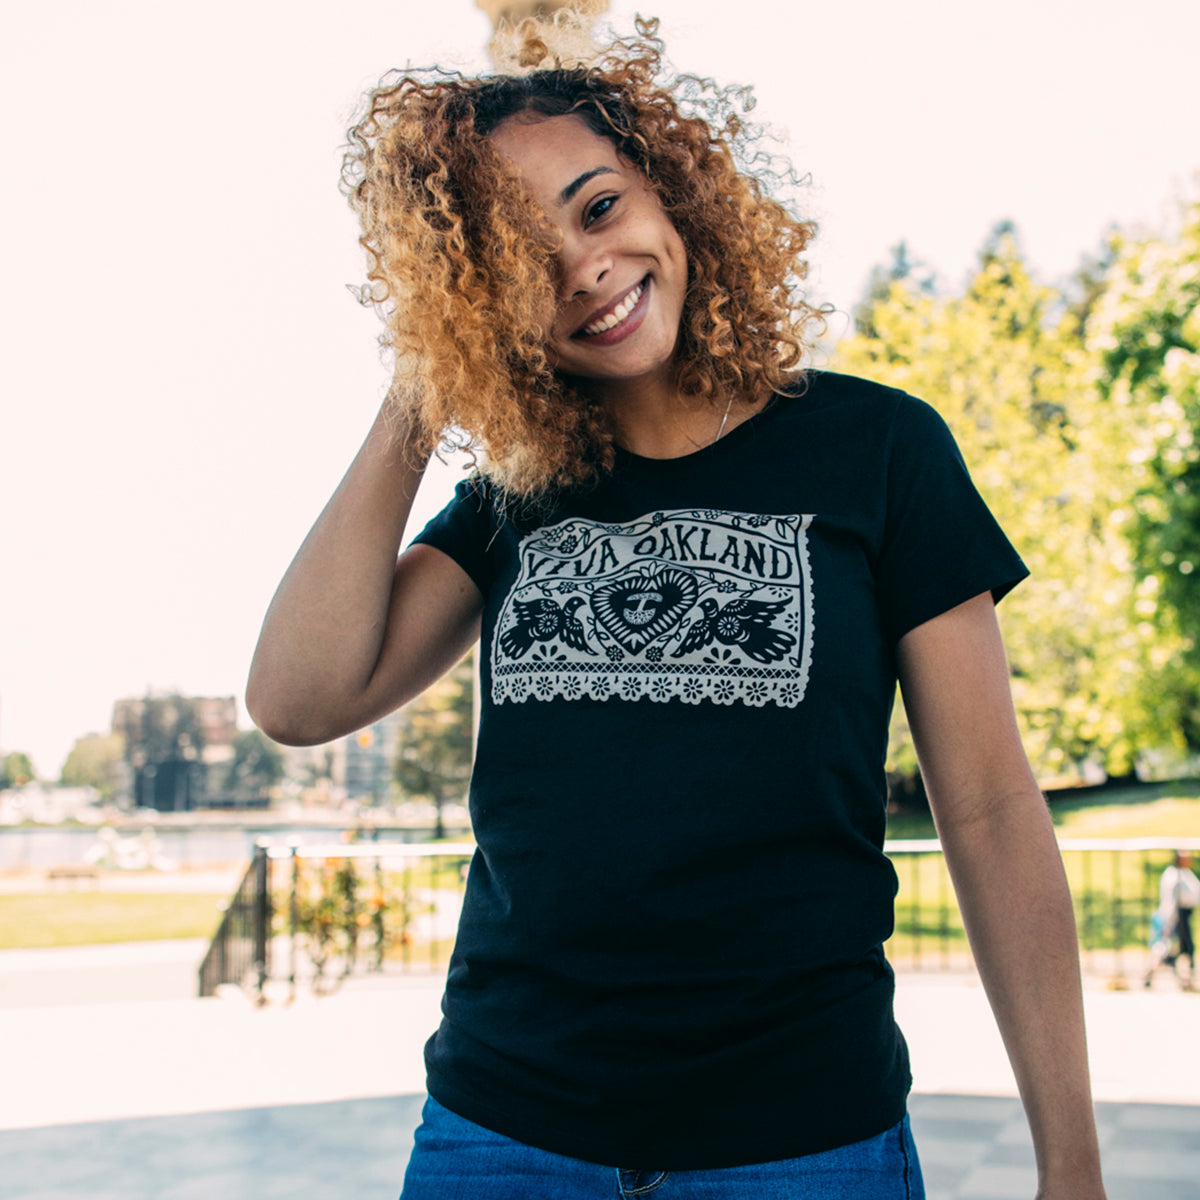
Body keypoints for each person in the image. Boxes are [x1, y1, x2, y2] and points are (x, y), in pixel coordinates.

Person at [247, 15, 1107, 1199]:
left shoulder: (880, 450)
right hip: (504, 1136)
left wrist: (1072, 1160)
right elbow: (298, 698)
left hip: (807, 1141)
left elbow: (996, 808)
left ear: (673, 194)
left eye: (598, 208)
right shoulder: (514, 497)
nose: (585, 266)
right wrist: (431, 371)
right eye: (515, 263)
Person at [1145, 850, 1199, 990]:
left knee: (1182, 950)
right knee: (1165, 949)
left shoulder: (1185, 873)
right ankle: (1149, 975)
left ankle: (1185, 980)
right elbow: (1171, 901)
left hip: (1184, 916)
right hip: (1174, 917)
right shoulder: (1173, 876)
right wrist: (1169, 921)